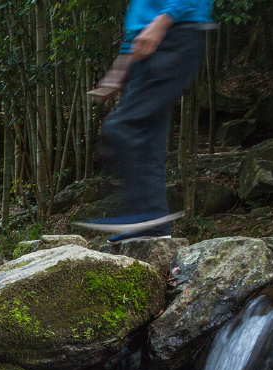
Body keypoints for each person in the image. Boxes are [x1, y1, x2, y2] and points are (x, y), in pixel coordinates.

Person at [76, 0, 214, 241]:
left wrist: (164, 19)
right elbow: (141, 14)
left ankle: (146, 215)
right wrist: (121, 67)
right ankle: (154, 227)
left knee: (122, 127)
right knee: (147, 138)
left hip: (174, 36)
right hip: (150, 46)